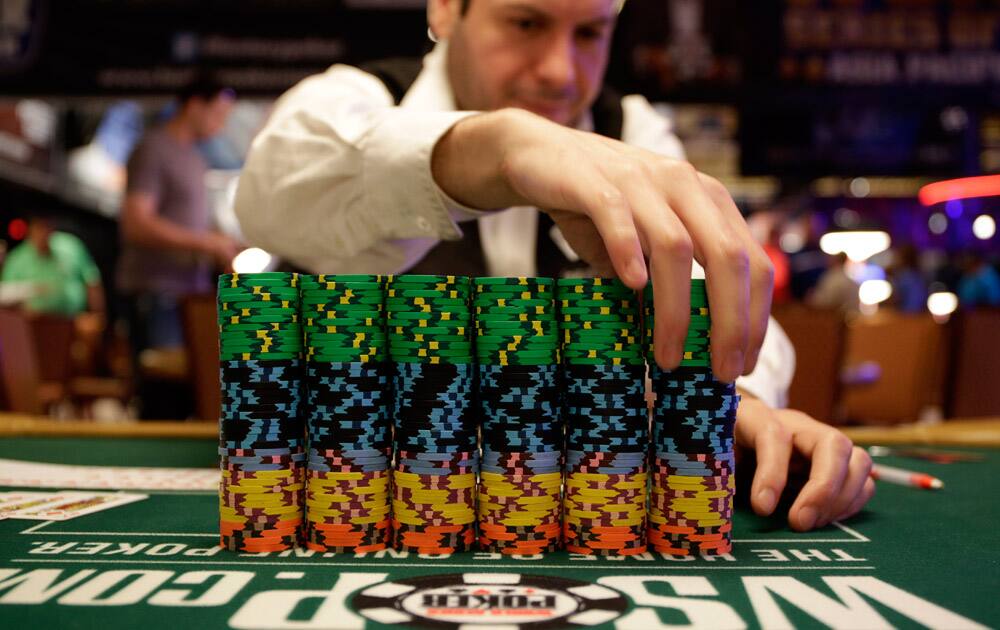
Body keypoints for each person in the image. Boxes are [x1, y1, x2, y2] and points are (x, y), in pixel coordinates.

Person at [235, 0, 873, 531]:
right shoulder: (355, 98)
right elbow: (269, 193)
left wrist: (737, 404)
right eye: (526, 23)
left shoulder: (633, 132)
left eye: (590, 33)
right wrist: (501, 147)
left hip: (577, 515)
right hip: (355, 503)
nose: (559, 72)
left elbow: (718, 286)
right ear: (444, 9)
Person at [118, 73, 241, 417]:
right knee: (161, 400)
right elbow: (136, 223)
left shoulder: (195, 158)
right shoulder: (154, 147)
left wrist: (223, 243)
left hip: (191, 295)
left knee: (191, 396)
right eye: (218, 112)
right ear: (194, 105)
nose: (223, 122)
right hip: (158, 293)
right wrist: (206, 243)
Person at [1, 213, 105, 317]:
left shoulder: (71, 246)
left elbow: (92, 280)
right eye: (39, 227)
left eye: (47, 226)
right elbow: (6, 297)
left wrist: (97, 314)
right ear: (30, 229)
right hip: (31, 323)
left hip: (73, 321)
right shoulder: (16, 259)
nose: (44, 233)